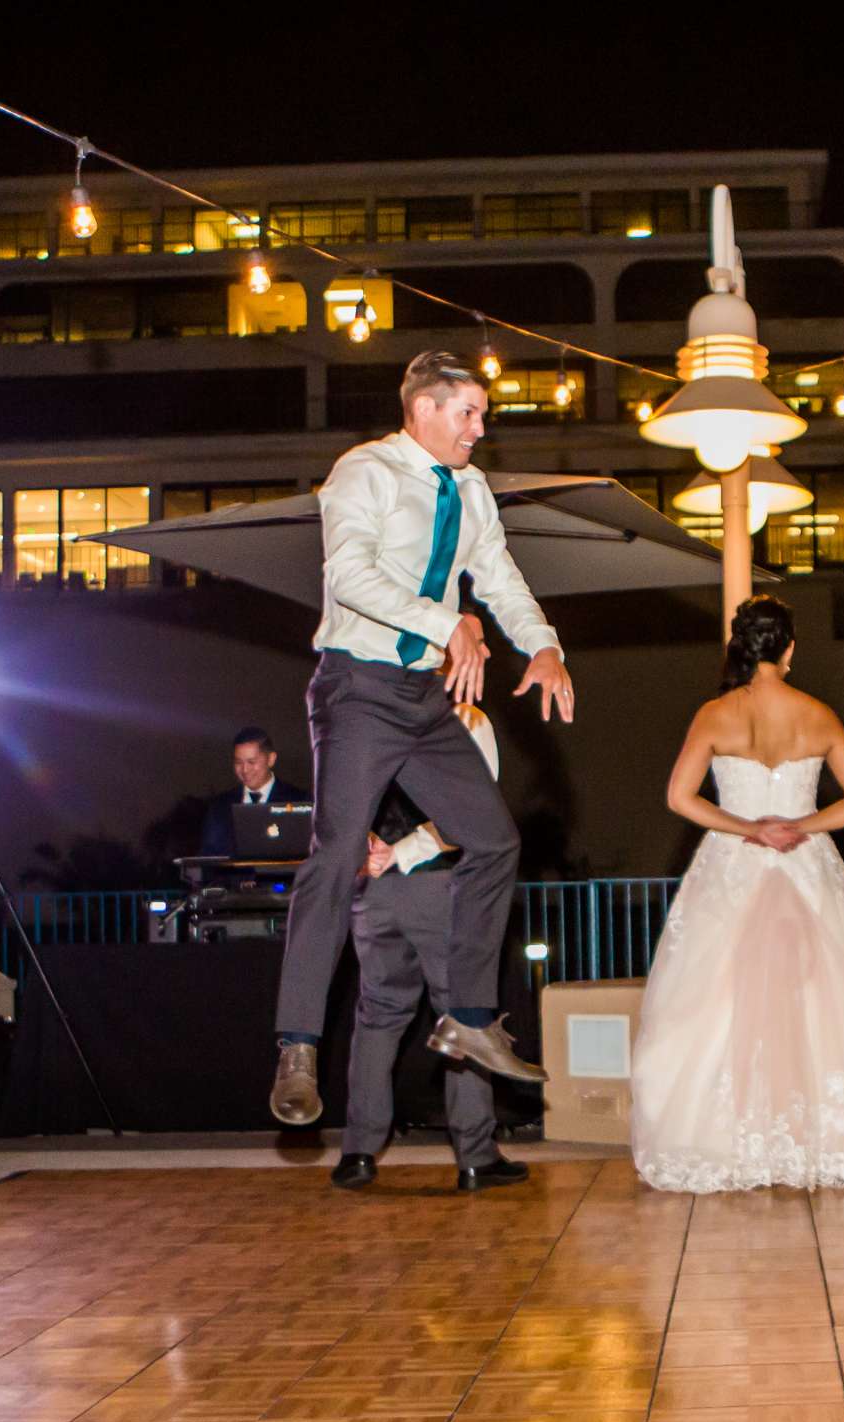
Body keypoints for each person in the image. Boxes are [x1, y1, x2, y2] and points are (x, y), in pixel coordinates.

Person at [269, 350, 577, 1127]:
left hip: (424, 699)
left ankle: (469, 1021)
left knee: (495, 840)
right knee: (338, 852)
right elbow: (351, 578)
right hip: (361, 688)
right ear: (425, 410)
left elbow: (498, 576)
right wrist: (451, 623)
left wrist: (543, 645)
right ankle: (298, 1047)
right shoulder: (363, 473)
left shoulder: (471, 491)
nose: (481, 428)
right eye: (469, 412)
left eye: (482, 413)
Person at [630, 597, 844, 1192]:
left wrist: (749, 828)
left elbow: (680, 798)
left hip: (733, 863)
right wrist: (800, 825)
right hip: (806, 864)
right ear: (788, 648)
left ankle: (723, 1141)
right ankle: (822, 1140)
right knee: (823, 1003)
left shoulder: (715, 714)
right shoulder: (817, 713)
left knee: (714, 1001)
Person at [333, 705, 525, 1193]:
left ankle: (357, 1153)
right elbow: (474, 813)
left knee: (377, 1016)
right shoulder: (464, 718)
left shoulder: (368, 715)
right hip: (440, 890)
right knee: (464, 1018)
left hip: (372, 892)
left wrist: (371, 847)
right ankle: (476, 1157)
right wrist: (401, 852)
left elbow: (340, 797)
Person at [197, 725, 311, 856]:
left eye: (251, 762)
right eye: (239, 762)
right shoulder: (220, 806)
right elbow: (208, 859)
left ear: (271, 759)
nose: (244, 770)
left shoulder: (299, 800)